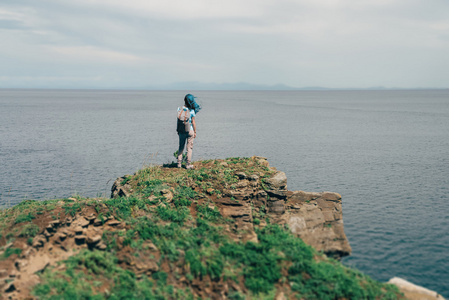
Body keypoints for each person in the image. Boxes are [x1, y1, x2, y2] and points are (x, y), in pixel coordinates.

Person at [177, 94, 201, 169]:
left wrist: (178, 130)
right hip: (190, 130)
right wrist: (195, 132)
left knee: (181, 147)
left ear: (184, 100)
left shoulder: (179, 109)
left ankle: (179, 164)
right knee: (189, 148)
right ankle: (188, 165)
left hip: (181, 130)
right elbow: (193, 122)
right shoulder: (192, 111)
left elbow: (178, 121)